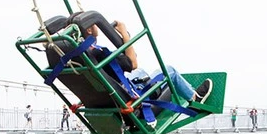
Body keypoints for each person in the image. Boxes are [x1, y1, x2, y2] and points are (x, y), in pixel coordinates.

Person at [82, 21, 213, 106]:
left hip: (111, 96)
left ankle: (188, 89)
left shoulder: (82, 56)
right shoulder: (99, 53)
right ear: (88, 30)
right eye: (94, 23)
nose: (96, 26)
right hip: (130, 95)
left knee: (140, 72)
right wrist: (124, 34)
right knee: (169, 70)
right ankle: (195, 97)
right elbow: (133, 63)